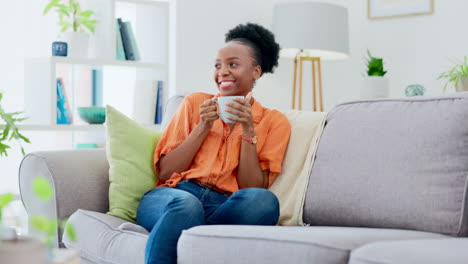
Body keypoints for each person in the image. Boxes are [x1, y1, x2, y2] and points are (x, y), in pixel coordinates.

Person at [136, 23, 291, 264]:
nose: (223, 72)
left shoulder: (274, 121)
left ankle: (193, 231)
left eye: (233, 64)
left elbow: (253, 187)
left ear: (256, 72)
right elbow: (166, 171)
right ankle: (200, 231)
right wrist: (203, 126)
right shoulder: (194, 103)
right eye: (218, 65)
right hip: (175, 195)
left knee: (263, 202)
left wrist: (248, 131)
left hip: (226, 205)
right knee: (186, 205)